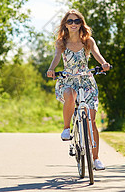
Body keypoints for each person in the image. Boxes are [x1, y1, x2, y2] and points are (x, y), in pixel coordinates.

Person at [46, 9, 111, 171]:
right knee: (69, 94)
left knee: (92, 120)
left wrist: (104, 64)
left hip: (86, 79)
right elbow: (56, 57)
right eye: (70, 21)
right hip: (68, 79)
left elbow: (97, 54)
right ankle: (66, 129)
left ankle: (95, 159)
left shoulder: (88, 41)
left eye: (76, 21)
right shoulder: (61, 42)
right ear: (65, 25)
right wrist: (51, 69)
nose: (73, 24)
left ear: (81, 23)